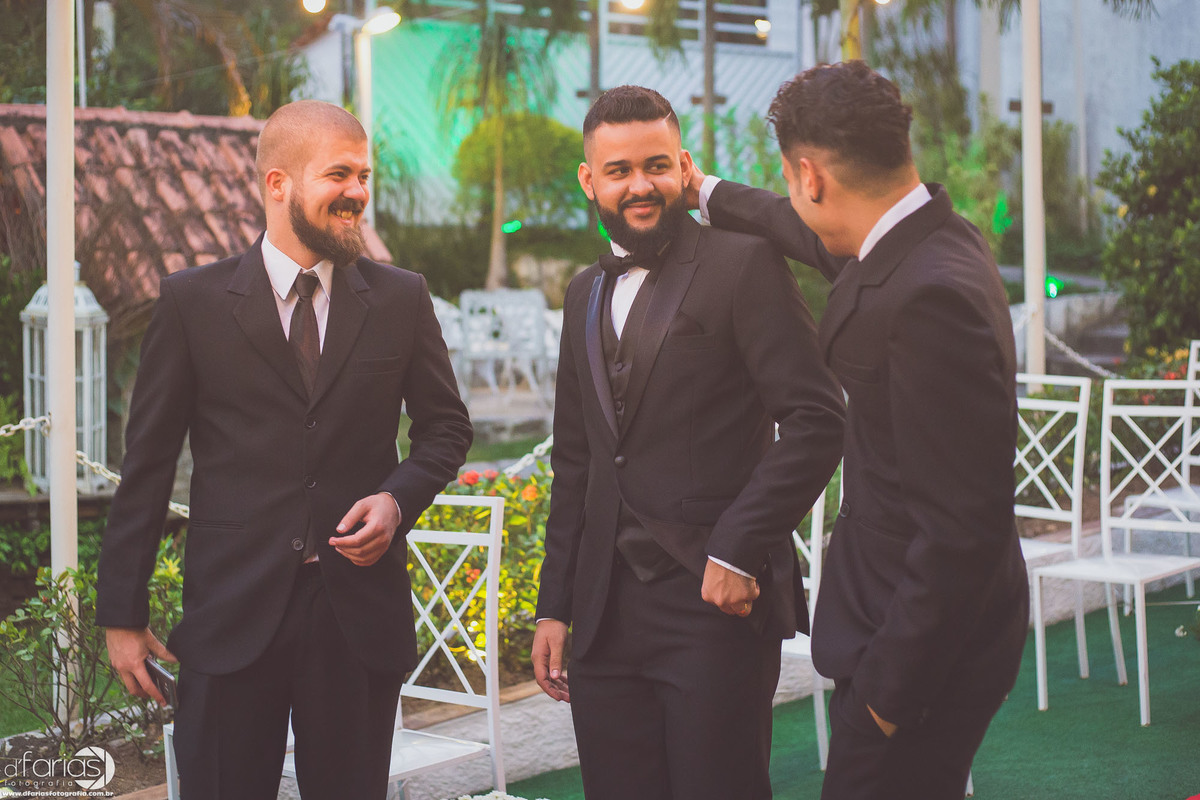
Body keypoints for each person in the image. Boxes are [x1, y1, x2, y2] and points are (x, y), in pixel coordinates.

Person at [96, 100, 472, 800]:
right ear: (278, 183)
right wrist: (123, 614)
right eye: (339, 174)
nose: (357, 192)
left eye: (363, 175)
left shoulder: (401, 298)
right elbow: (146, 466)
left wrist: (397, 501)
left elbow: (447, 427)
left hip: (356, 618)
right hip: (230, 614)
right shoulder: (191, 302)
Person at [690, 61, 1029, 800]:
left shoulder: (930, 299)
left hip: (919, 653)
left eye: (789, 178)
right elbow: (815, 236)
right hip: (913, 629)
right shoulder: (928, 238)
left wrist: (886, 699)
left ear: (810, 175)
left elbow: (962, 530)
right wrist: (705, 192)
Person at [531, 85, 845, 800]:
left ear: (683, 166)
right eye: (618, 170)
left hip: (714, 603)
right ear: (589, 180)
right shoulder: (582, 293)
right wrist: (555, 606)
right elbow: (576, 463)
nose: (640, 185)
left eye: (656, 165)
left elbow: (817, 419)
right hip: (603, 617)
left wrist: (736, 548)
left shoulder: (744, 264)